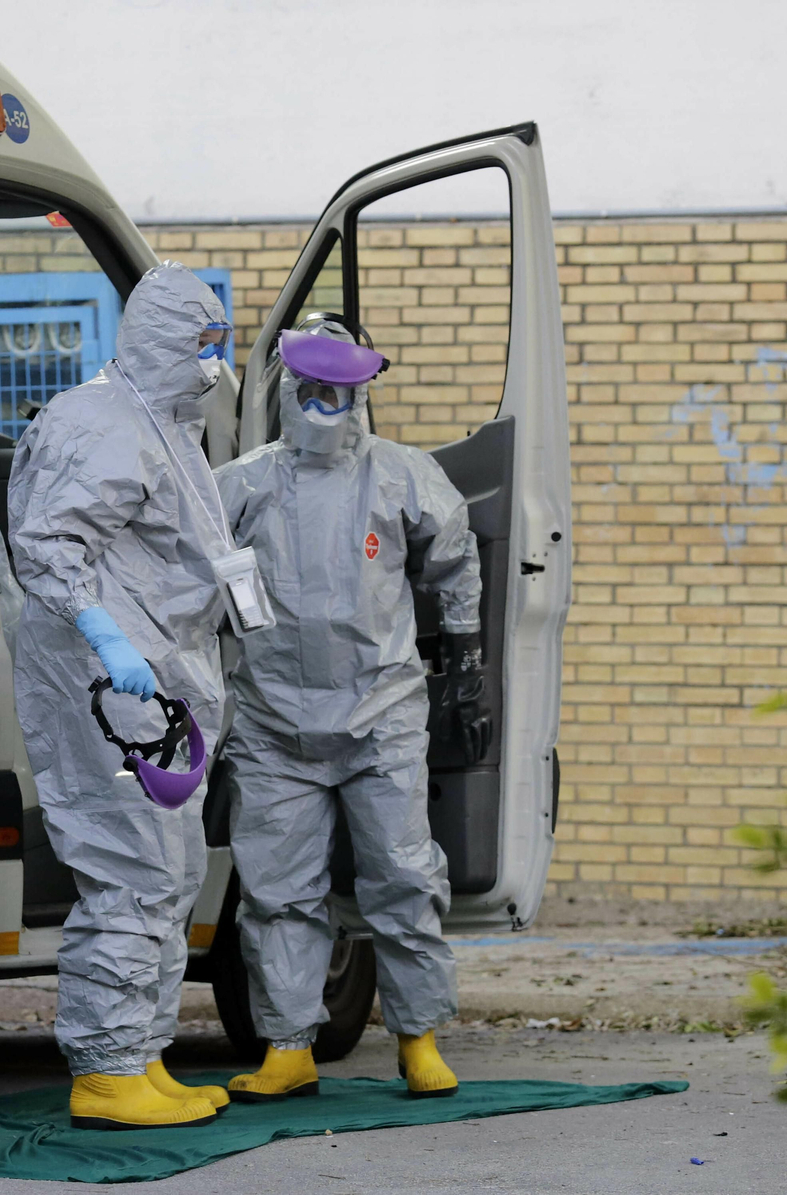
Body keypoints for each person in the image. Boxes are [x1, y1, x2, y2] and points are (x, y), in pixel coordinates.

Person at [213, 316, 491, 1101]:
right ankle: (288, 1045)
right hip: (274, 724)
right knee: (276, 889)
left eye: (342, 389)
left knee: (403, 876)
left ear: (364, 391)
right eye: (313, 389)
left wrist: (467, 668)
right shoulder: (244, 483)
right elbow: (198, 579)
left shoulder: (403, 476)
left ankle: (418, 1036)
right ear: (287, 390)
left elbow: (456, 563)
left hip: (381, 714)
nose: (326, 405)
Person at [9, 261, 235, 1130]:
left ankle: (143, 1054)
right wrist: (105, 635)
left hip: (161, 674)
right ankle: (104, 1069)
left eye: (219, 344)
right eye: (202, 344)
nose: (213, 362)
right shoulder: (98, 425)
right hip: (104, 680)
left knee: (169, 872)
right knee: (129, 869)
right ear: (162, 339)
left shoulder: (164, 422)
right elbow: (51, 547)